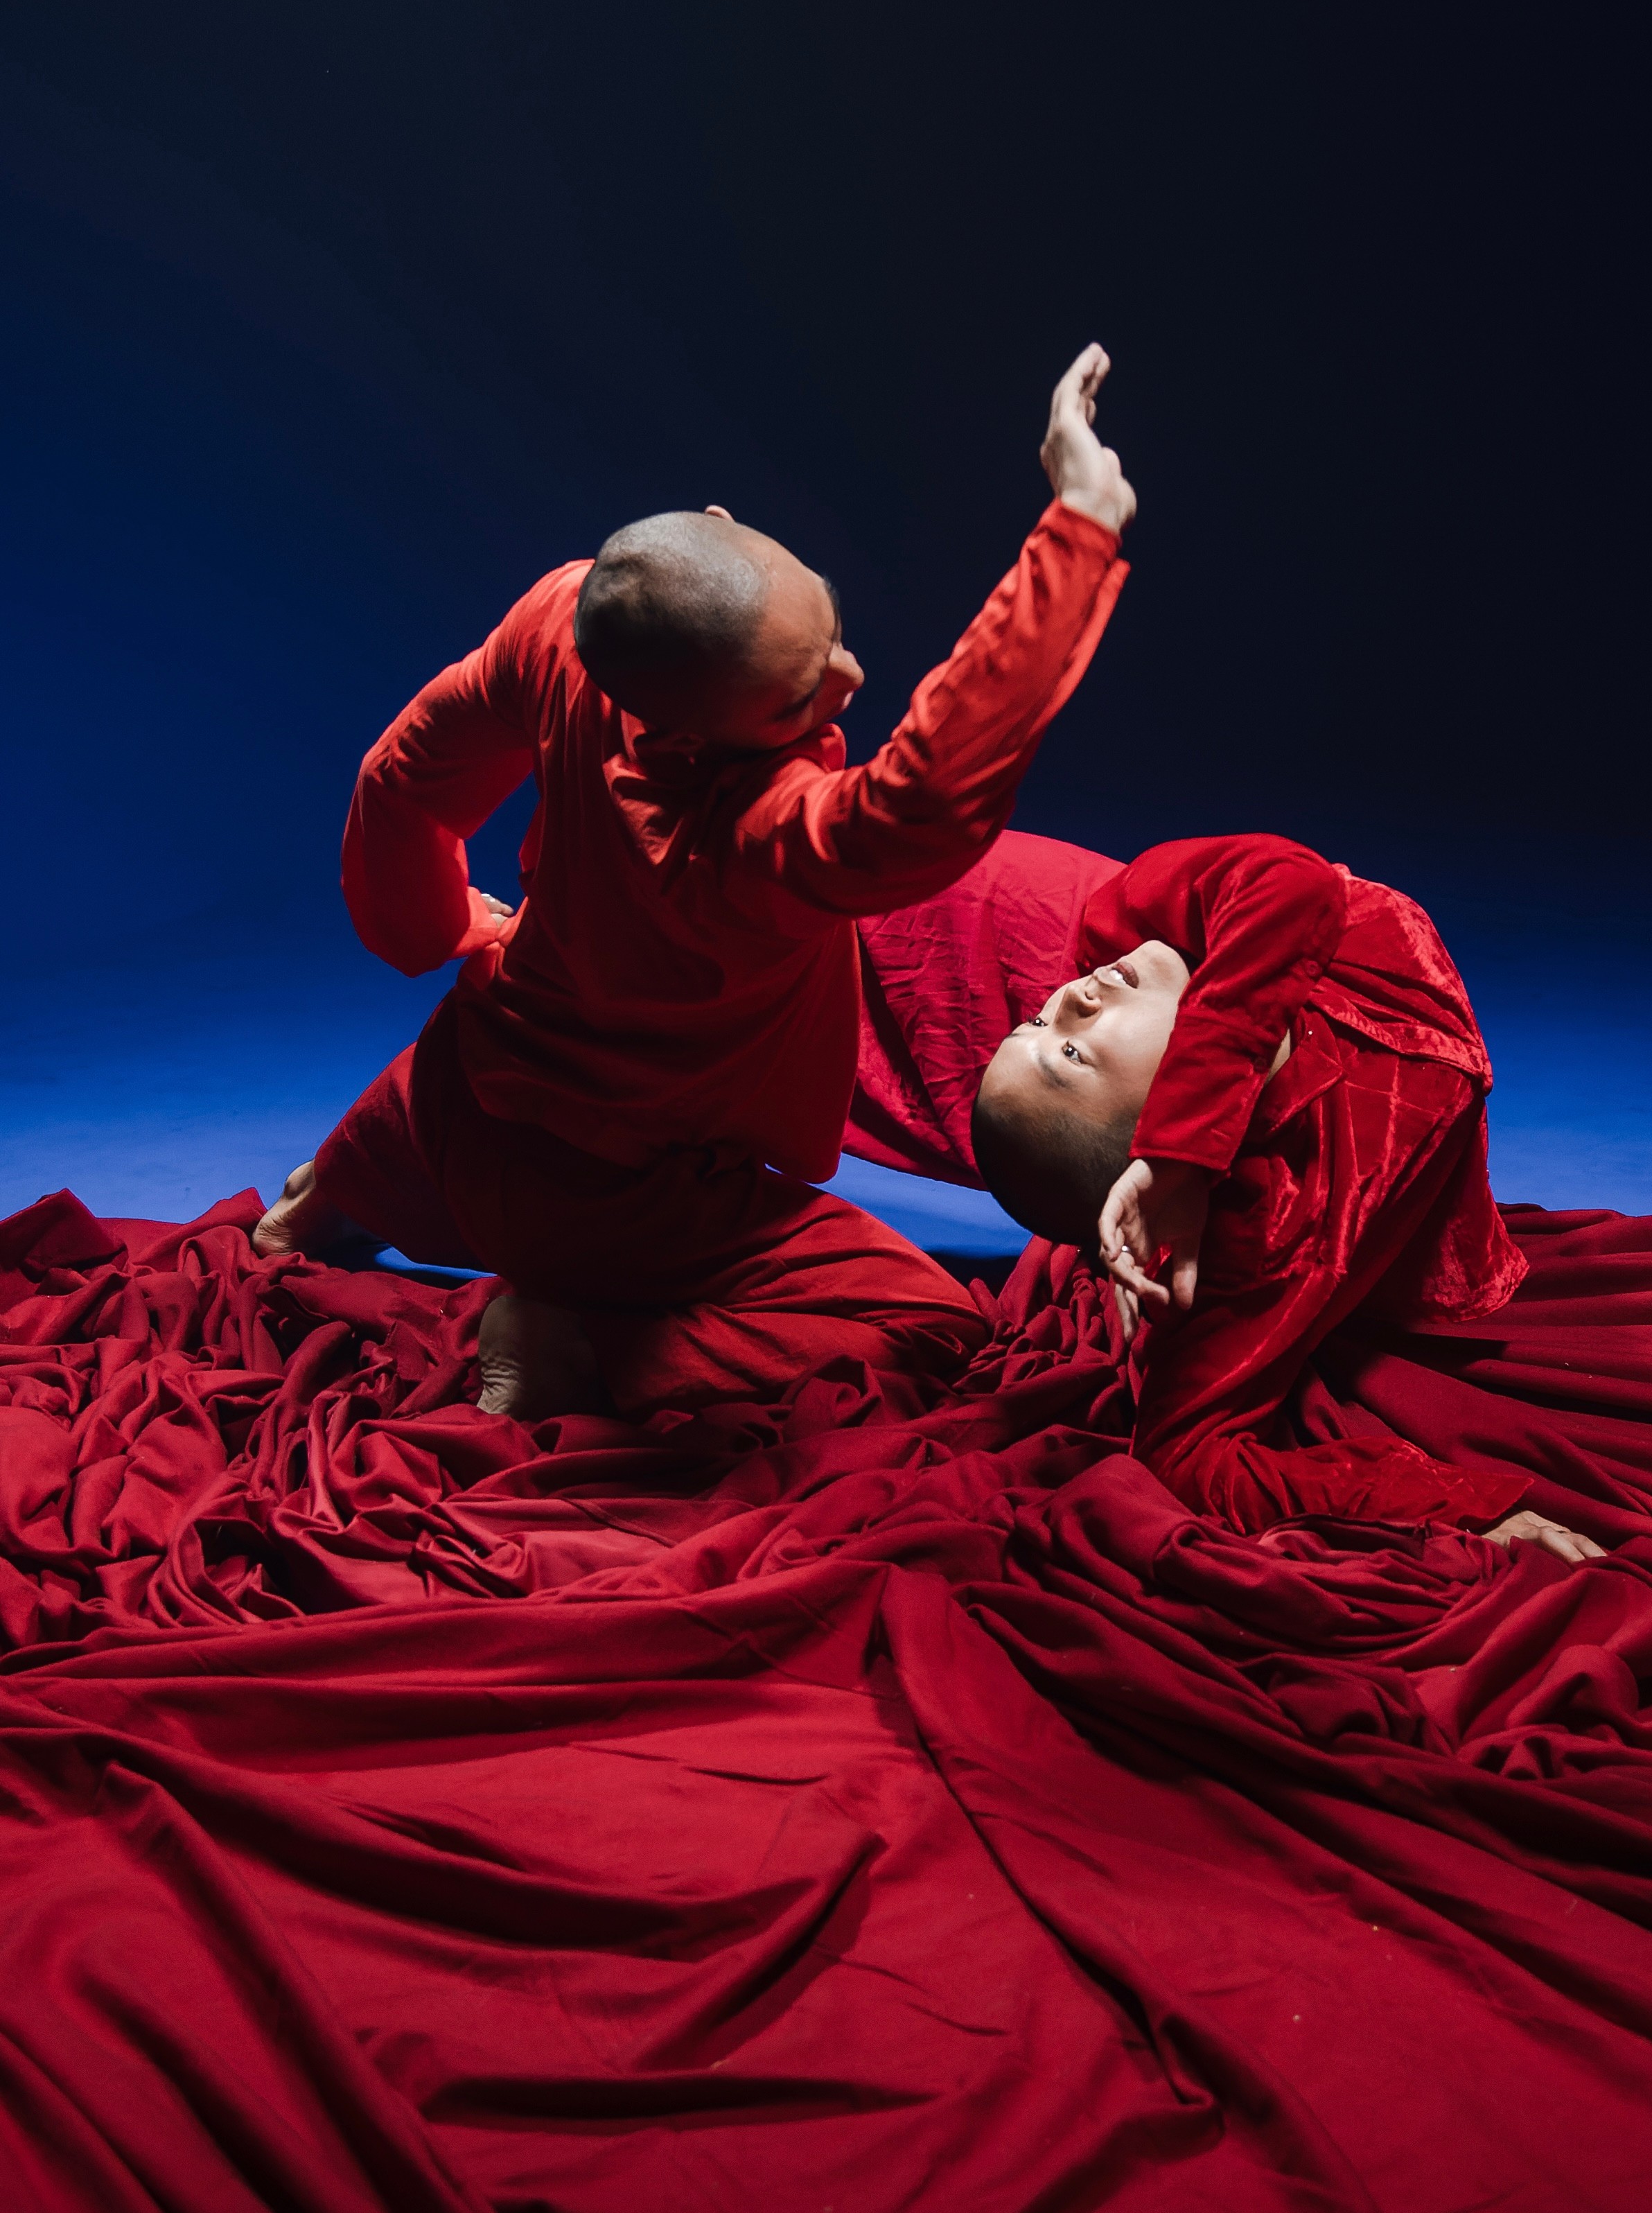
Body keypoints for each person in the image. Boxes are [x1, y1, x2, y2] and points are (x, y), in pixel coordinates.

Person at [255, 348, 1136, 1415]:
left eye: (836, 636)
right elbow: (924, 798)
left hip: (447, 1103)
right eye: (796, 702)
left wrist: (431, 931)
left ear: (724, 522)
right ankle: (580, 1333)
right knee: (931, 1327)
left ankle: (332, 1204)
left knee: (473, 1052)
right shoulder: (746, 839)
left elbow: (401, 781)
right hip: (611, 1195)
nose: (849, 684)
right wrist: (1080, 525)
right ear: (686, 731)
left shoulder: (565, 620)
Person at [969, 832, 1603, 1561]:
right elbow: (1182, 1454)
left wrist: (1187, 1138)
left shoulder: (1130, 915)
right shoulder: (1272, 1229)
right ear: (1140, 1135)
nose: (1072, 994)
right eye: (1072, 1054)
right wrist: (1457, 1510)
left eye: (1038, 1021)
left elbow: (1290, 882)